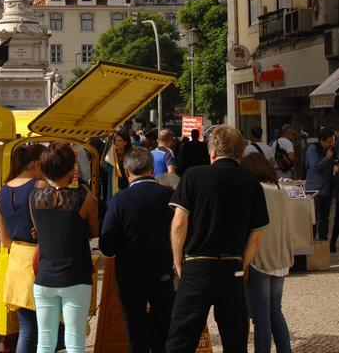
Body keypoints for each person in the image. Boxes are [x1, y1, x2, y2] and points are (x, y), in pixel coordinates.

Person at [165, 125, 269, 353]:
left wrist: (177, 261)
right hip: (232, 267)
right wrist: (244, 264)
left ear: (211, 152)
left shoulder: (193, 176)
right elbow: (256, 236)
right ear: (240, 154)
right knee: (235, 340)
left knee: (181, 339)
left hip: (197, 264)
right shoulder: (252, 183)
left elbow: (179, 223)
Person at [100, 147, 175, 353]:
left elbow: (107, 245)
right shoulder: (169, 195)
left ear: (127, 173)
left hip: (130, 276)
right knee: (164, 330)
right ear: (152, 169)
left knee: (135, 333)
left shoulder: (120, 200)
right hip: (163, 272)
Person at [30, 143, 99, 353]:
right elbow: (95, 231)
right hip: (75, 276)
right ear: (72, 168)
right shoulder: (84, 198)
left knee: (45, 341)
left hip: (44, 277)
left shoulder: (34, 198)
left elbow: (38, 231)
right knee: (75, 341)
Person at [0, 143, 45, 353]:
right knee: (41, 329)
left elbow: (4, 240)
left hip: (16, 262)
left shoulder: (0, 192)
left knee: (27, 328)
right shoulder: (39, 186)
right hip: (37, 261)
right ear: (36, 164)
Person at [242, 154, 293, 353]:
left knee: (261, 317)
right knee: (275, 312)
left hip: (260, 257)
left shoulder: (256, 191)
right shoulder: (280, 189)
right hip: (280, 257)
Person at [304, 128, 335, 240]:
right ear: (322, 140)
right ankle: (311, 240)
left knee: (324, 217)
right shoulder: (313, 149)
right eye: (329, 141)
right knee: (314, 217)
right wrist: (327, 157)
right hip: (314, 189)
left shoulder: (331, 150)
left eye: (332, 141)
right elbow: (315, 167)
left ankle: (323, 240)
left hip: (326, 188)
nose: (331, 143)